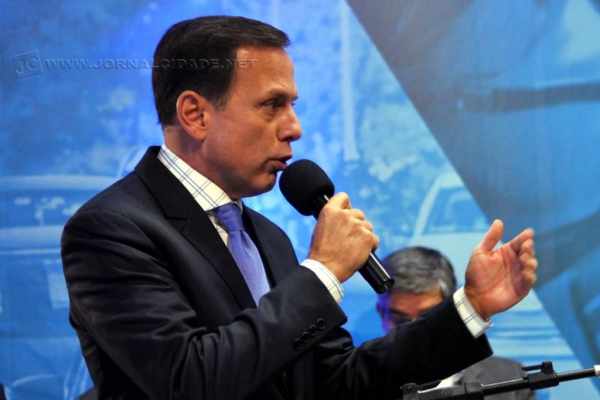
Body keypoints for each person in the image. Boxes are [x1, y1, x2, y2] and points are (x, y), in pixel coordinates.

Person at [60, 15, 538, 400]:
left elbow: (338, 382)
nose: (294, 128)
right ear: (195, 114)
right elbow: (190, 381)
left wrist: (471, 307)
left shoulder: (267, 237)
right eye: (272, 105)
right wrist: (324, 271)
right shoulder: (111, 229)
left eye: (292, 105)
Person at [377, 246, 536, 399]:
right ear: (381, 313)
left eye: (427, 319)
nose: (414, 332)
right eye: (400, 320)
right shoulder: (364, 386)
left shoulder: (510, 379)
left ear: (451, 313)